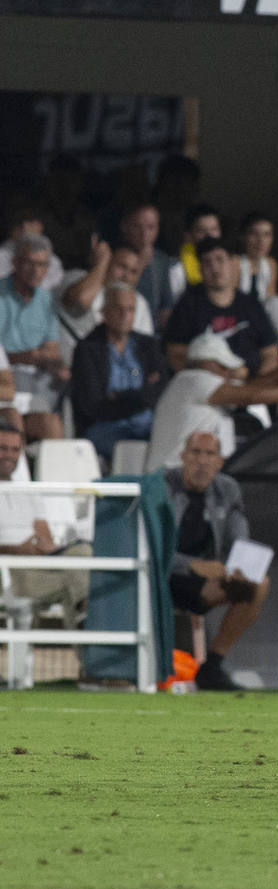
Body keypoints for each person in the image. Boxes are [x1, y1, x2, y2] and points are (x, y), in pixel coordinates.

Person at [164, 431, 271, 691]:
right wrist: (191, 565)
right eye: (196, 452)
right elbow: (152, 548)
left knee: (258, 584)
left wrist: (242, 567)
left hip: (201, 583)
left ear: (219, 462)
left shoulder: (227, 489)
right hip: (161, 575)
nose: (202, 460)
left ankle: (212, 666)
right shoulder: (162, 486)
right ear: (183, 457)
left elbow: (238, 537)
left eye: (210, 454)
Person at [145, 331, 278, 470]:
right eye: (224, 367)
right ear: (208, 364)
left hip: (190, 474)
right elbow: (250, 396)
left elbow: (250, 388)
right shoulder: (192, 379)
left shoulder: (200, 385)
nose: (228, 373)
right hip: (171, 475)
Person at [0, 420, 91, 628]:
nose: (9, 455)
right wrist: (17, 551)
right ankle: (89, 620)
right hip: (7, 573)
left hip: (35, 568)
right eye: (2, 448)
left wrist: (47, 547)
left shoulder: (28, 492)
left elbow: (44, 536)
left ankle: (87, 620)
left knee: (83, 552)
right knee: (77, 584)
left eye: (15, 450)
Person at [68, 283, 168, 459]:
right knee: (132, 451)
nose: (125, 315)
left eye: (130, 310)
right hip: (104, 428)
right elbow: (93, 406)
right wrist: (140, 398)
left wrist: (119, 397)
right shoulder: (87, 349)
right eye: (118, 309)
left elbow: (159, 391)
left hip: (148, 426)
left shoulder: (148, 345)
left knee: (171, 440)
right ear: (104, 311)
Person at [163, 237, 278, 377]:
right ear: (200, 268)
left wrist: (256, 384)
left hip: (250, 386)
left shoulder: (252, 305)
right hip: (204, 387)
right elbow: (175, 355)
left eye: (220, 260)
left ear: (232, 263)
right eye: (207, 262)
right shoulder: (187, 306)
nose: (215, 268)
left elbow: (270, 353)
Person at [0, 233, 65, 441]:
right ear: (15, 263)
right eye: (31, 263)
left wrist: (56, 363)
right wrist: (25, 356)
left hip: (40, 374)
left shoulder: (46, 300)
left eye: (43, 264)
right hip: (6, 375)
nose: (37, 271)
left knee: (69, 382)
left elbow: (52, 346)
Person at [117, 203, 176, 325]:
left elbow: (165, 305)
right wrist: (140, 264)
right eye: (137, 227)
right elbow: (118, 294)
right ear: (124, 227)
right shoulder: (115, 258)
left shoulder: (161, 259)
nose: (144, 234)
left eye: (151, 227)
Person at [167, 203, 223, 302]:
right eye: (202, 231)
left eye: (214, 229)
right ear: (188, 235)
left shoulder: (230, 261)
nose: (209, 236)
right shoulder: (177, 268)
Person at [237, 212, 278, 300]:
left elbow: (271, 298)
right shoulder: (234, 262)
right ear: (243, 237)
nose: (261, 241)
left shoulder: (271, 264)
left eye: (266, 235)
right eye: (254, 234)